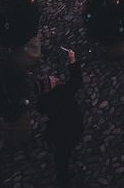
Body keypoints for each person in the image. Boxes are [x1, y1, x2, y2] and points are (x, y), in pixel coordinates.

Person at [37, 49, 83, 188]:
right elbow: (76, 80)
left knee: (60, 157)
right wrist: (72, 60)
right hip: (71, 128)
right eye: (52, 79)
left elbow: (41, 109)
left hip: (58, 132)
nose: (54, 77)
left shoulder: (44, 102)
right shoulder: (63, 92)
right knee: (62, 155)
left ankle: (62, 178)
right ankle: (63, 181)